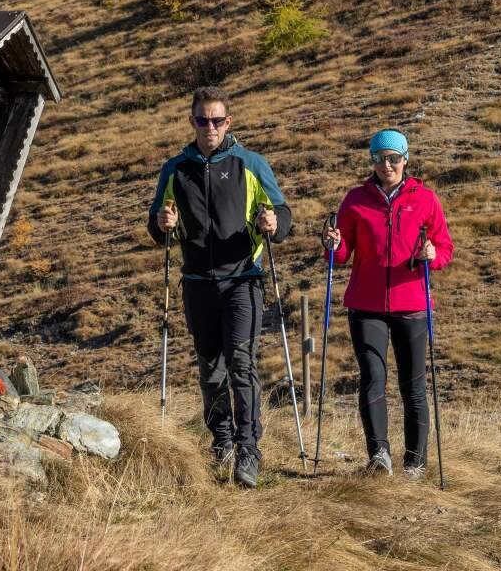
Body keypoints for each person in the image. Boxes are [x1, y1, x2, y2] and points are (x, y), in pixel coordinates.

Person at [147, 85, 292, 487]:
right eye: (201, 120)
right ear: (192, 121)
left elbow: (282, 211)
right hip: (196, 283)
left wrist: (274, 224)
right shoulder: (175, 169)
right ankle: (222, 441)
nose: (209, 127)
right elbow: (157, 223)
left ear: (228, 123)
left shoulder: (251, 163)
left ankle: (249, 450)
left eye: (216, 120)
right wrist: (162, 226)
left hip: (243, 279)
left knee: (241, 365)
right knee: (211, 372)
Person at [321, 128, 453, 478]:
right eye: (380, 158)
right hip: (366, 306)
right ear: (372, 161)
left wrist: (432, 253)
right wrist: (333, 246)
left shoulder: (425, 200)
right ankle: (379, 455)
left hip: (411, 304)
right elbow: (343, 252)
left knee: (413, 383)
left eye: (394, 158)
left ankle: (416, 461)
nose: (387, 164)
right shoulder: (355, 200)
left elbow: (445, 248)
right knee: (372, 377)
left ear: (405, 159)